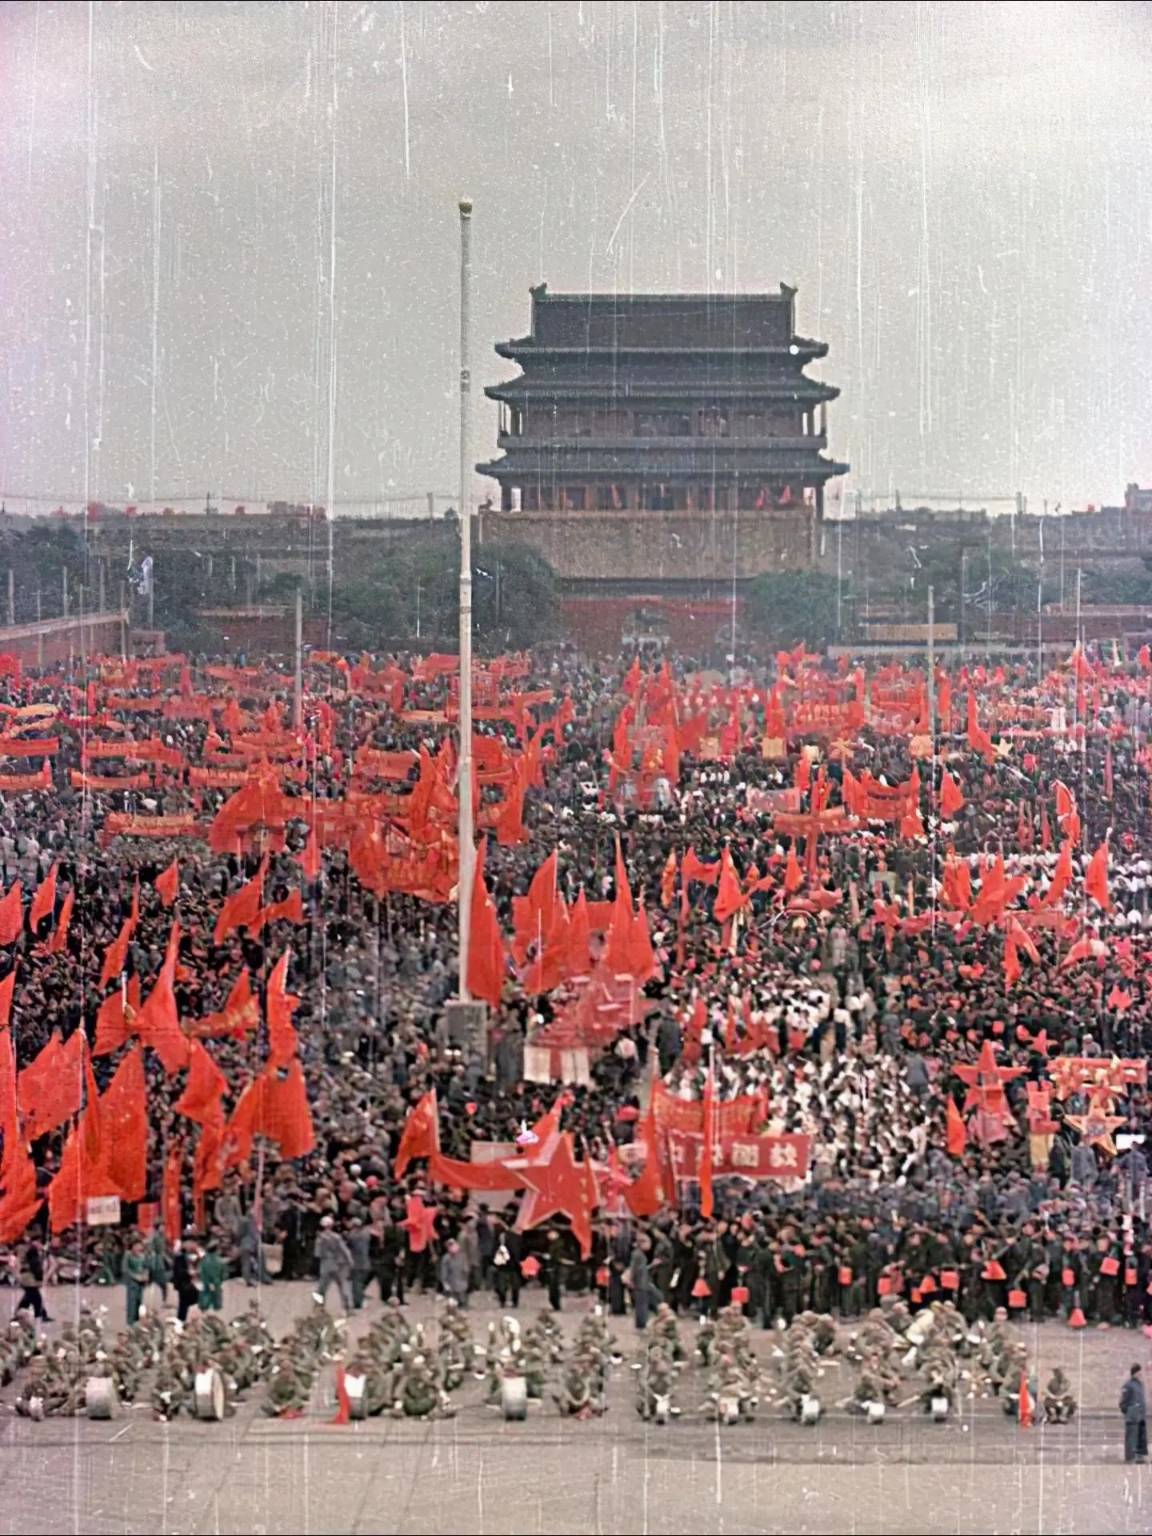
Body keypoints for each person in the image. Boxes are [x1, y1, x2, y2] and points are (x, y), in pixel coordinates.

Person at [314, 1214, 353, 1314]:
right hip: (338, 1264)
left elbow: (317, 1254)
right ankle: (347, 1308)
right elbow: (344, 1250)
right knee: (343, 1285)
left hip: (326, 1265)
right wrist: (350, 1261)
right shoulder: (337, 1237)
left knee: (322, 1288)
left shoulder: (319, 1238)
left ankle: (319, 1307)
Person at [16, 1238, 50, 1322]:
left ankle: (20, 1314)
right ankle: (39, 1315)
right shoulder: (31, 1251)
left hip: (27, 1277)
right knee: (35, 1297)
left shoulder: (32, 1250)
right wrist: (40, 1279)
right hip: (29, 1278)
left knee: (29, 1298)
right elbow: (35, 1267)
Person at [1120, 1363, 1147, 1463]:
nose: (1141, 1374)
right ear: (1136, 1373)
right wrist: (1129, 1411)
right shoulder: (1128, 1385)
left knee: (1140, 1436)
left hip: (1140, 1414)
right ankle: (1130, 1457)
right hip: (1132, 1414)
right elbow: (1123, 1402)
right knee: (1131, 1436)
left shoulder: (1140, 1384)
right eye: (1140, 1372)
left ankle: (1139, 1456)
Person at [171, 1239, 200, 1324]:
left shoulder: (197, 1256)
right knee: (183, 1305)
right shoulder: (179, 1257)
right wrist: (188, 1272)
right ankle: (181, 1321)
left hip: (195, 1285)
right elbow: (178, 1271)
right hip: (184, 1285)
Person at [122, 1238, 148, 1326]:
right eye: (136, 1245)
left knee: (139, 1301)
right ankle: (130, 1322)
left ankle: (137, 1321)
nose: (138, 1247)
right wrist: (134, 1276)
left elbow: (145, 1267)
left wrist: (145, 1274)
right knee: (131, 1302)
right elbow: (125, 1269)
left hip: (141, 1281)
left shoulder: (143, 1256)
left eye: (139, 1245)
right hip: (132, 1282)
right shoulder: (128, 1255)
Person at [438, 1237, 470, 1308]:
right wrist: (445, 1284)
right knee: (452, 1304)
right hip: (451, 1286)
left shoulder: (462, 1256)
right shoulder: (446, 1259)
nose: (452, 1247)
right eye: (450, 1246)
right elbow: (443, 1274)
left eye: (453, 1245)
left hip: (462, 1285)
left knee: (463, 1303)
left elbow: (466, 1270)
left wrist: (466, 1281)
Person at [197, 1240, 225, 1313]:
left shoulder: (203, 1260)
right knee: (216, 1300)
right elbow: (222, 1273)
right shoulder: (218, 1261)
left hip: (206, 1282)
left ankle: (204, 1308)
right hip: (215, 1282)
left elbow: (200, 1271)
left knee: (205, 1299)